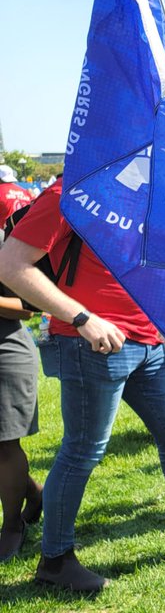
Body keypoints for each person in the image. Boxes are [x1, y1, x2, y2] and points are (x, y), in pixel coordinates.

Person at [0, 185, 165, 593]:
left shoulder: (151, 190)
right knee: (82, 451)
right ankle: (55, 560)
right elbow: (11, 265)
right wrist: (81, 318)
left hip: (147, 342)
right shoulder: (70, 192)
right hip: (92, 343)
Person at [0, 225, 41, 562]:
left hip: (5, 352)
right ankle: (34, 493)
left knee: (4, 445)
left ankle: (12, 525)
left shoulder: (5, 243)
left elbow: (27, 307)